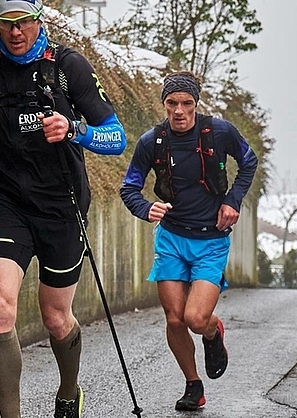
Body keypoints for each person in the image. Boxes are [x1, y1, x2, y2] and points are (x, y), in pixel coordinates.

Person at [0, 0, 126, 417]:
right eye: (6, 22)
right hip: (6, 201)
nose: (15, 32)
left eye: (23, 21)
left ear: (38, 18)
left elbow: (116, 136)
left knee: (55, 317)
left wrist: (74, 130)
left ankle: (69, 390)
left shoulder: (68, 67)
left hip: (61, 205)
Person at [119, 71, 258, 411]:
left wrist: (232, 200)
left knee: (196, 318)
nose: (179, 111)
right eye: (172, 104)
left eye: (186, 103)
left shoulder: (220, 132)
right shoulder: (152, 142)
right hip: (171, 238)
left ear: (196, 104)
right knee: (175, 319)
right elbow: (129, 187)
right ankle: (193, 385)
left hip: (211, 240)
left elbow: (249, 161)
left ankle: (213, 333)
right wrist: (145, 208)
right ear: (164, 104)